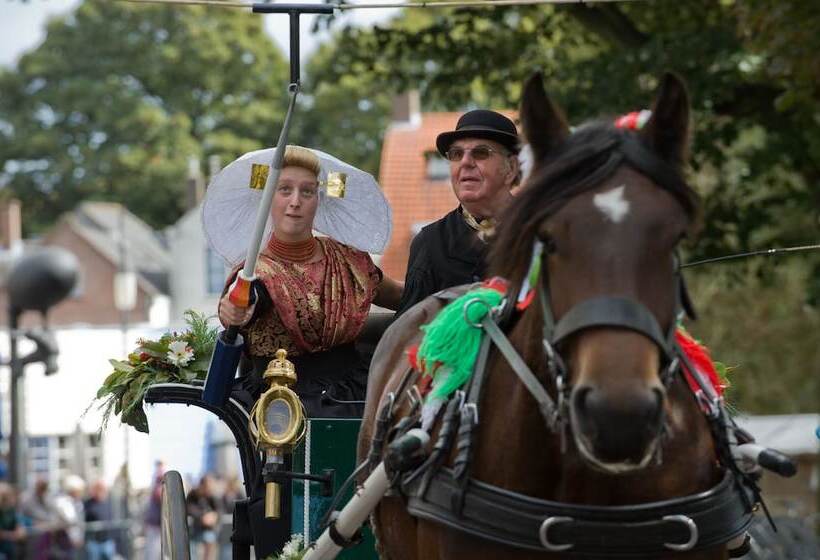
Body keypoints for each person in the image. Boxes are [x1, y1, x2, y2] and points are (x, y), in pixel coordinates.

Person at [217, 145, 403, 418]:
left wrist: (456, 296)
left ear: (320, 199)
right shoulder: (254, 273)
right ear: (267, 198)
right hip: (278, 408)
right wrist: (232, 310)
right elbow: (239, 303)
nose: (295, 201)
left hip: (349, 399)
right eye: (284, 190)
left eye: (307, 191)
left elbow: (402, 296)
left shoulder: (348, 260)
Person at [396, 109, 521, 315]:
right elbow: (409, 333)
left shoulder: (541, 235)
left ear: (511, 168)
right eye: (456, 154)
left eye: (481, 153)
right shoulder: (430, 242)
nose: (465, 162)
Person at [186, 475, 220, 560]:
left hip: (208, 528)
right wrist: (202, 517)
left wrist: (214, 516)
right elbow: (189, 508)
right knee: (192, 550)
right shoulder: (193, 494)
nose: (208, 490)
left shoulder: (211, 496)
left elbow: (219, 510)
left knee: (210, 539)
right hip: (194, 528)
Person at [52, 475, 86, 559]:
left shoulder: (77, 502)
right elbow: (71, 521)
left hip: (72, 540)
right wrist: (75, 538)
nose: (80, 493)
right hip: (64, 539)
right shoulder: (63, 502)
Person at [84, 480, 116, 560]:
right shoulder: (88, 503)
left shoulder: (108, 503)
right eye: (98, 489)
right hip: (93, 541)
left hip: (107, 540)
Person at [142, 461, 164, 560]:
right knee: (151, 555)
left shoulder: (163, 484)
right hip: (153, 526)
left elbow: (160, 496)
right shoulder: (154, 483)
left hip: (160, 527)